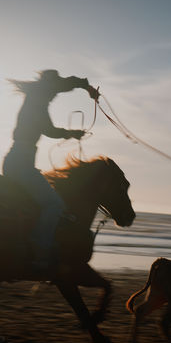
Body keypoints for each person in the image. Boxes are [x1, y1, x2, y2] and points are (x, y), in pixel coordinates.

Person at [3, 69, 99, 271]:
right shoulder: (37, 103)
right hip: (22, 161)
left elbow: (65, 84)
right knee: (54, 205)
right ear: (49, 86)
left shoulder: (36, 98)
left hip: (18, 159)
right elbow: (49, 130)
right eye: (54, 89)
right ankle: (41, 253)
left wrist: (86, 86)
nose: (56, 94)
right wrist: (72, 133)